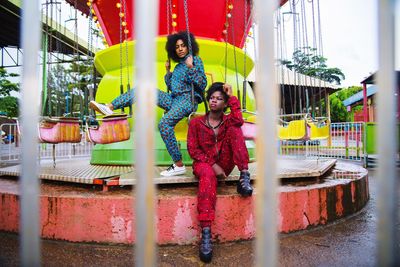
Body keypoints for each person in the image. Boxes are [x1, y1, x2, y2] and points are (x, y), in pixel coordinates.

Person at [89, 31, 207, 176]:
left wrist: (191, 67)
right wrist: (168, 72)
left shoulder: (195, 60)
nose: (180, 49)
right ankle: (109, 107)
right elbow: (173, 87)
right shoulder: (177, 67)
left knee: (164, 124)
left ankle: (178, 164)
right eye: (177, 47)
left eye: (183, 46)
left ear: (189, 46)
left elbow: (202, 84)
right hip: (174, 99)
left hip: (187, 100)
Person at [187, 82, 253, 263]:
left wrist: (231, 96)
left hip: (225, 162)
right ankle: (206, 234)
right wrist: (212, 165)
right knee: (207, 175)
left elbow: (239, 120)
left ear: (225, 103)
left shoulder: (228, 121)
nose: (214, 101)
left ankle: (244, 175)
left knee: (235, 127)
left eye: (219, 99)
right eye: (212, 98)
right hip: (203, 164)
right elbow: (193, 150)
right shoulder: (196, 123)